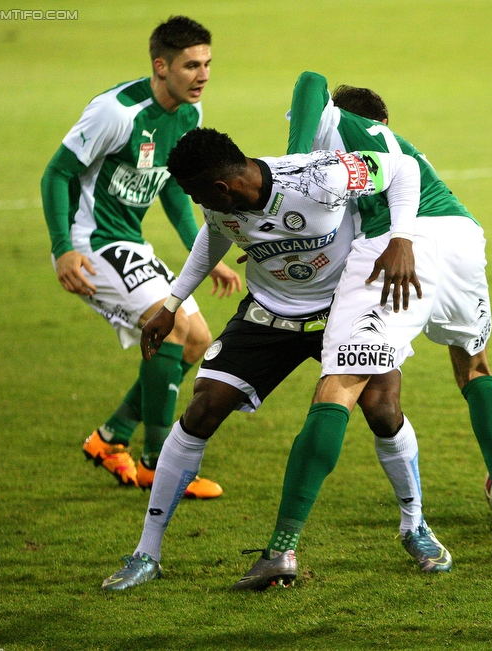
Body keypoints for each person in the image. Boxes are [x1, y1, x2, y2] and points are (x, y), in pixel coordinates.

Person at [100, 127, 454, 591]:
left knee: (383, 410)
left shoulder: (320, 177)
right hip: (269, 314)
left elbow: (403, 168)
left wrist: (402, 239)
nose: (194, 202)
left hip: (343, 308)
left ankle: (415, 526)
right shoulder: (218, 202)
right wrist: (171, 304)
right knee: (203, 406)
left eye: (193, 193)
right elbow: (214, 234)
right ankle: (147, 553)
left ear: (222, 187)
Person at [230, 72, 492, 590]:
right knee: (474, 366)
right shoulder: (394, 155)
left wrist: (293, 159)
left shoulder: (339, 127)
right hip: (461, 236)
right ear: (387, 122)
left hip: (397, 244)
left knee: (337, 389)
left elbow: (308, 80)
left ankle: (281, 551)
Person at [40, 16, 241, 499]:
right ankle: (157, 467)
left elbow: (173, 186)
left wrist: (204, 251)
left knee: (197, 341)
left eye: (207, 63)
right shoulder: (117, 112)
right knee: (169, 326)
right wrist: (62, 248)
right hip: (89, 245)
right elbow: (56, 174)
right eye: (192, 65)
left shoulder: (188, 115)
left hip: (127, 242)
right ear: (161, 66)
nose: (203, 74)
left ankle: (109, 439)